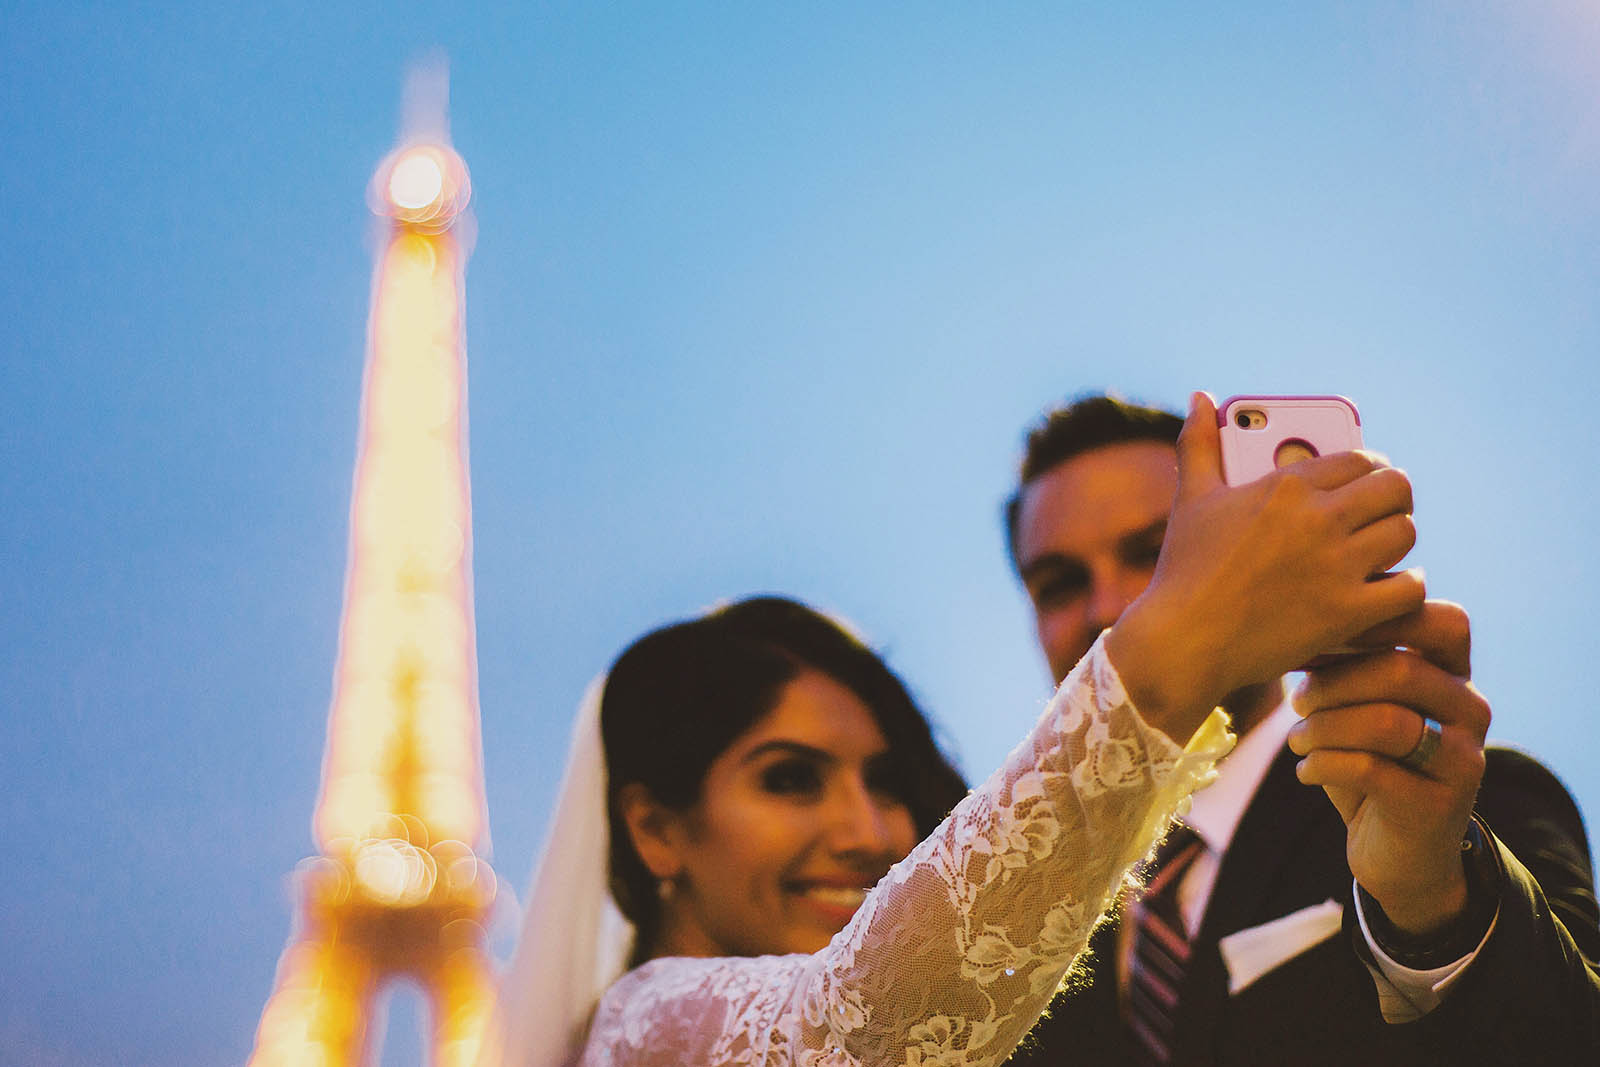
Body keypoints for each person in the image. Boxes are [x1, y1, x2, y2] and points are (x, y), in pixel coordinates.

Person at [487, 394, 1426, 1067]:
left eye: (889, 781)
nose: (868, 831)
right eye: (788, 778)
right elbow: (858, 1027)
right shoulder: (647, 1029)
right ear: (655, 827)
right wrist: (1186, 633)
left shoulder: (1417, 810)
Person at [1001, 393, 1600, 1065]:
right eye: (1057, 584)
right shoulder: (1024, 928)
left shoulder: (1452, 809)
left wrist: (1436, 911)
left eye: (1157, 551)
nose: (1108, 607)